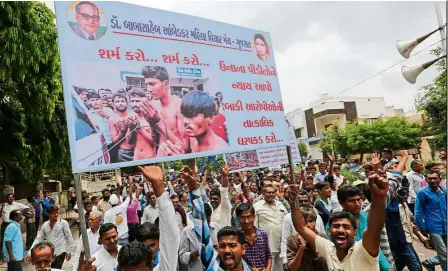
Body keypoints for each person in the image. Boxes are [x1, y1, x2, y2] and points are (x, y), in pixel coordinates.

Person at [291, 172, 390, 270]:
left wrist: (379, 197)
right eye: (336, 226)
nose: (341, 230)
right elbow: (301, 227)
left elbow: (375, 227)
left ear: (355, 233)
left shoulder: (363, 250)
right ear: (329, 231)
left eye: (346, 227)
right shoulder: (327, 248)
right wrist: (293, 202)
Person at [138, 165, 181, 270]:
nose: (149, 251)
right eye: (146, 247)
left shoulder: (163, 267)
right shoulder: (146, 209)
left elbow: (171, 234)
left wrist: (158, 186)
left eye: (152, 246)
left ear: (159, 244)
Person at [140, 65, 189, 154]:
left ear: (165, 84)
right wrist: (151, 124)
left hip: (176, 157)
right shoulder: (153, 104)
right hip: (160, 155)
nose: (148, 89)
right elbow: (155, 141)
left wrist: (158, 122)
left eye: (152, 84)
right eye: (146, 84)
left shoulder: (179, 105)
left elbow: (184, 146)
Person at [385, 187, 425, 271]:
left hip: (407, 239)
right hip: (402, 240)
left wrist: (420, 236)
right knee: (416, 266)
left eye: (407, 194)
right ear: (396, 194)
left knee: (401, 261)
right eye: (403, 194)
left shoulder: (404, 204)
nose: (406, 196)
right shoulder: (393, 208)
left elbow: (408, 222)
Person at [415, 171, 447, 271]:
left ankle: (430, 262)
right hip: (433, 228)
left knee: (444, 254)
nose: (432, 181)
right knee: (444, 256)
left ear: (440, 180)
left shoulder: (443, 191)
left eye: (435, 178)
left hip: (445, 226)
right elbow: (418, 212)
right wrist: (423, 228)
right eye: (430, 179)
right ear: (426, 180)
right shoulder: (422, 192)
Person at [27, 205, 73, 269]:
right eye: (53, 213)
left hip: (60, 252)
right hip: (48, 253)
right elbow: (38, 239)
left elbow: (69, 237)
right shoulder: (45, 225)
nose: (56, 214)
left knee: (56, 268)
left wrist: (69, 251)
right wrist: (30, 252)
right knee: (46, 268)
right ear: (48, 214)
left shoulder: (63, 223)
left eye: (57, 212)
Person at [253, 185, 287, 270]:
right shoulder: (257, 206)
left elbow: (286, 222)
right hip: (267, 247)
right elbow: (254, 227)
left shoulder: (281, 205)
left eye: (273, 192)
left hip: (282, 247)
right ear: (263, 193)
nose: (271, 194)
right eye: (268, 192)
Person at [286, 205, 328, 271]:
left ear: (315, 222)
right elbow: (292, 268)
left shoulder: (322, 237)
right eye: (304, 222)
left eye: (311, 221)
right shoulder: (292, 240)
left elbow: (327, 262)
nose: (308, 225)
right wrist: (301, 248)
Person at [179, 203, 220, 270]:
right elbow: (182, 258)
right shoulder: (187, 231)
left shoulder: (216, 228)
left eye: (207, 221)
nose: (205, 226)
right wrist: (196, 253)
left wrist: (218, 249)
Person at [235, 202, 272, 270]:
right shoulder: (236, 238)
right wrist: (250, 269)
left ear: (254, 217)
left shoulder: (263, 235)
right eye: (243, 217)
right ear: (238, 219)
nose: (246, 221)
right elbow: (235, 261)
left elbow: (269, 256)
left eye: (249, 217)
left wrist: (268, 269)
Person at [108, 93, 138, 162]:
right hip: (124, 152)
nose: (120, 103)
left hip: (138, 149)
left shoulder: (134, 115)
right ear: (113, 103)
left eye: (122, 101)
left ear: (127, 103)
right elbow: (114, 140)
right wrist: (122, 132)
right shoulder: (112, 119)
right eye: (117, 101)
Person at [129, 89, 158, 160]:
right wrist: (131, 128)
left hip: (150, 157)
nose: (134, 104)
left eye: (137, 101)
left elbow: (155, 142)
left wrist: (139, 128)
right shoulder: (132, 117)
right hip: (136, 156)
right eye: (132, 101)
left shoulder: (151, 117)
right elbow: (130, 142)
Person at [0, 193, 29, 258]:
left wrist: (23, 213)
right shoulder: (4, 205)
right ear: (6, 199)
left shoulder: (17, 205)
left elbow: (27, 208)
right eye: (8, 197)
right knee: (2, 240)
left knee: (14, 240)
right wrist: (2, 208)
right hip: (4, 225)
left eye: (11, 197)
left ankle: (14, 253)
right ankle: (2, 256)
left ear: (13, 198)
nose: (9, 198)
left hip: (13, 224)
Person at [104, 181, 132, 245]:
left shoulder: (107, 213)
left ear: (110, 203)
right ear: (118, 200)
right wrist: (130, 183)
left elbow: (106, 227)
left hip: (115, 238)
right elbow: (129, 197)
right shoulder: (123, 207)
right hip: (125, 236)